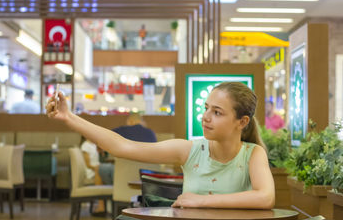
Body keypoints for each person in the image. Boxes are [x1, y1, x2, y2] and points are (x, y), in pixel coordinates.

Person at [46, 82, 275, 209]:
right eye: (206, 108)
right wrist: (69, 118)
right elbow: (122, 147)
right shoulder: (189, 150)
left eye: (217, 112)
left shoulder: (253, 154)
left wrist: (201, 200)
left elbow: (265, 197)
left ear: (242, 122)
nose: (205, 117)